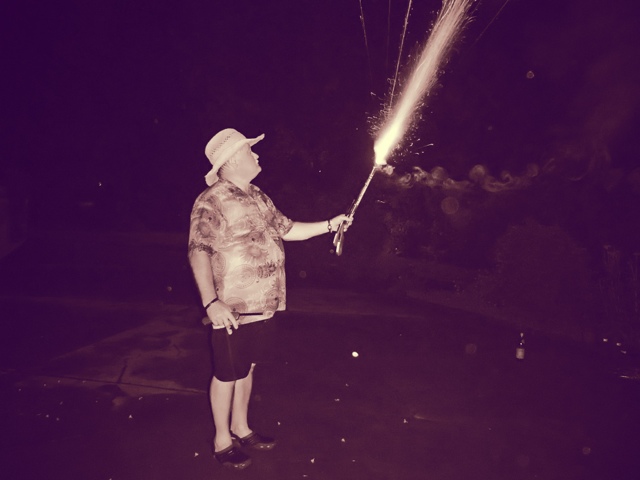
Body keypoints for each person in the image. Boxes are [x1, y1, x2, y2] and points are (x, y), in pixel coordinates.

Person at [188, 128, 352, 469]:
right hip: (231, 309)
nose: (257, 155)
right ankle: (221, 440)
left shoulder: (258, 196)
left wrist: (330, 224)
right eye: (250, 151)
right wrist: (211, 302)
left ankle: (241, 427)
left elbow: (287, 229)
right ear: (233, 160)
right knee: (227, 374)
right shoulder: (211, 200)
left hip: (262, 306)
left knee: (246, 368)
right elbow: (198, 250)